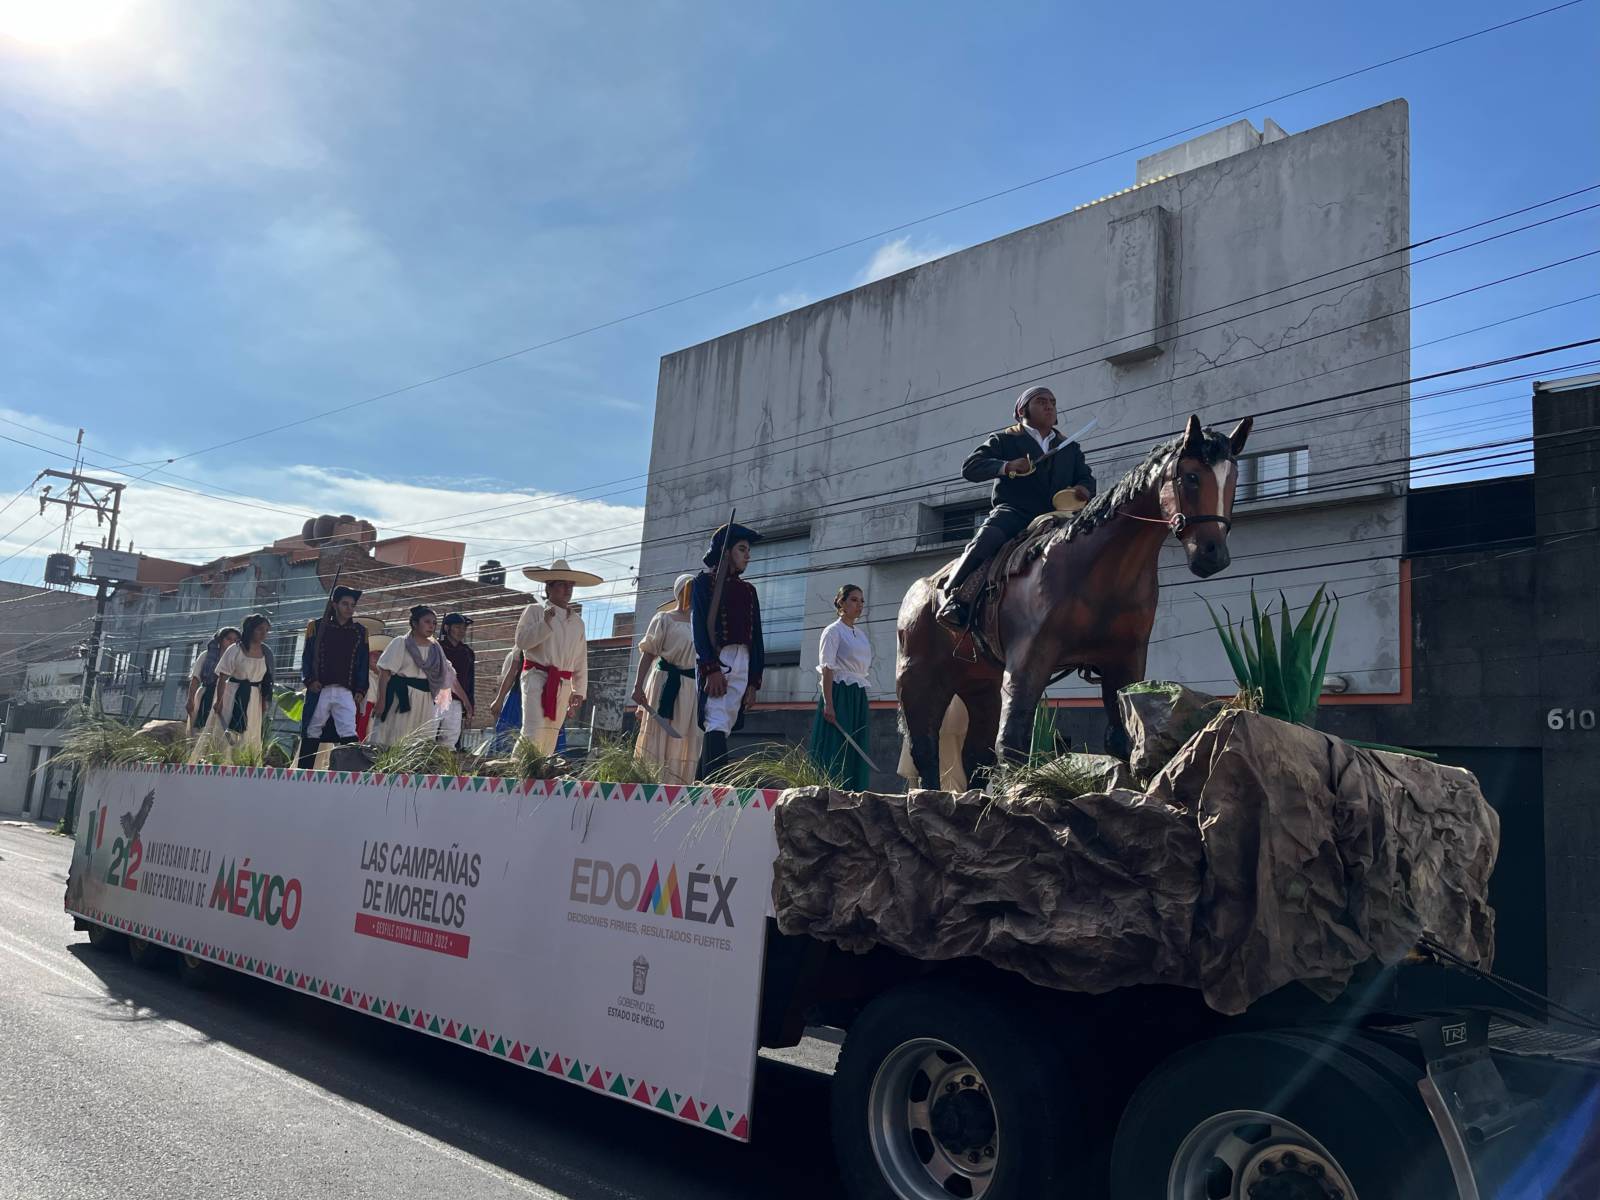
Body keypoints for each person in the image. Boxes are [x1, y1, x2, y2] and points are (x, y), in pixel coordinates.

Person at [937, 384, 1096, 629]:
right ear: (1023, 410)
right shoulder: (1005, 439)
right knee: (988, 537)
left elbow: (1086, 478)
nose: (1049, 406)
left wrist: (1084, 489)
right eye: (1041, 401)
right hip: (1016, 511)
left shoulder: (1069, 447)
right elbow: (971, 467)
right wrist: (1006, 466)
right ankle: (956, 596)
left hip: (1059, 516)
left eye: (1052, 402)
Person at [691, 522, 764, 779]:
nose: (748, 555)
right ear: (725, 552)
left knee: (725, 722)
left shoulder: (749, 590)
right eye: (742, 549)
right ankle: (716, 787)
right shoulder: (703, 583)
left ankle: (700, 785)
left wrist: (754, 681)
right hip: (718, 659)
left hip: (742, 660)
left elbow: (756, 638)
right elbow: (699, 628)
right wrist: (710, 667)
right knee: (716, 719)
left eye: (748, 550)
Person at [515, 559, 597, 755]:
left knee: (550, 735)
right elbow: (522, 642)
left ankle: (539, 776)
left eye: (571, 585)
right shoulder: (535, 611)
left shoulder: (577, 622)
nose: (567, 589)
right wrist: (545, 623)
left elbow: (580, 659)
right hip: (537, 676)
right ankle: (518, 772)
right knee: (533, 731)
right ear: (549, 586)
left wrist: (579, 690)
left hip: (563, 682)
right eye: (562, 584)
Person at [630, 573, 702, 786]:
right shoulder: (664, 619)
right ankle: (651, 782)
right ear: (679, 591)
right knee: (658, 733)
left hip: (689, 687)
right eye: (688, 589)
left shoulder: (702, 624)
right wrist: (638, 686)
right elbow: (648, 653)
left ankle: (679, 783)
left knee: (684, 735)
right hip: (663, 682)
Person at [371, 606, 470, 748]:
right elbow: (385, 672)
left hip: (425, 700)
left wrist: (465, 701)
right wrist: (381, 700)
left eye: (434, 623)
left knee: (419, 741)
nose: (431, 626)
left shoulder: (436, 648)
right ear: (415, 623)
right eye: (427, 622)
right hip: (401, 697)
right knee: (395, 736)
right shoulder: (401, 642)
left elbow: (448, 675)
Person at [296, 585, 369, 767]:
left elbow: (363, 663)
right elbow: (307, 657)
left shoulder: (360, 631)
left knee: (348, 729)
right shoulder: (317, 627)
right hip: (320, 688)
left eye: (352, 605)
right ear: (334, 604)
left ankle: (350, 771)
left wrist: (360, 688)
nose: (349, 608)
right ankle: (304, 772)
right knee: (313, 729)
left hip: (345, 690)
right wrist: (309, 680)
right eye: (345, 604)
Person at [809, 584, 873, 790]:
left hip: (857, 694)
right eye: (854, 600)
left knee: (856, 745)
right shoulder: (832, 632)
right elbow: (828, 669)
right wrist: (829, 703)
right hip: (839, 693)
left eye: (862, 601)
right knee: (836, 745)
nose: (859, 605)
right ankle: (831, 791)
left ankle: (854, 792)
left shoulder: (861, 635)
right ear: (841, 603)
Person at [192, 613, 273, 760]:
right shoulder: (235, 649)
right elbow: (222, 677)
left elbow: (267, 680)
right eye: (260, 629)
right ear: (251, 629)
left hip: (254, 697)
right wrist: (219, 701)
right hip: (233, 695)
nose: (264, 633)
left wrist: (264, 702)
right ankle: (221, 764)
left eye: (267, 630)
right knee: (225, 734)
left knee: (249, 733)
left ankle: (245, 766)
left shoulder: (266, 652)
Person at [186, 626, 240, 733]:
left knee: (222, 730)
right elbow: (195, 679)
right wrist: (190, 700)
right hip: (207, 695)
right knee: (201, 730)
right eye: (228, 639)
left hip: (228, 697)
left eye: (235, 640)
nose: (231, 643)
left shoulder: (238, 659)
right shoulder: (206, 656)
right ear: (220, 640)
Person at [437, 613, 476, 748]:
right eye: (458, 627)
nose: (461, 631)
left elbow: (470, 680)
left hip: (457, 701)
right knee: (429, 734)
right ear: (447, 628)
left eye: (464, 628)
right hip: (436, 698)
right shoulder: (437, 647)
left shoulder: (467, 652)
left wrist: (470, 704)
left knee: (450, 738)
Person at [487, 648, 523, 753]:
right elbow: (508, 677)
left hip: (545, 696)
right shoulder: (517, 651)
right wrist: (499, 700)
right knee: (507, 738)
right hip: (517, 699)